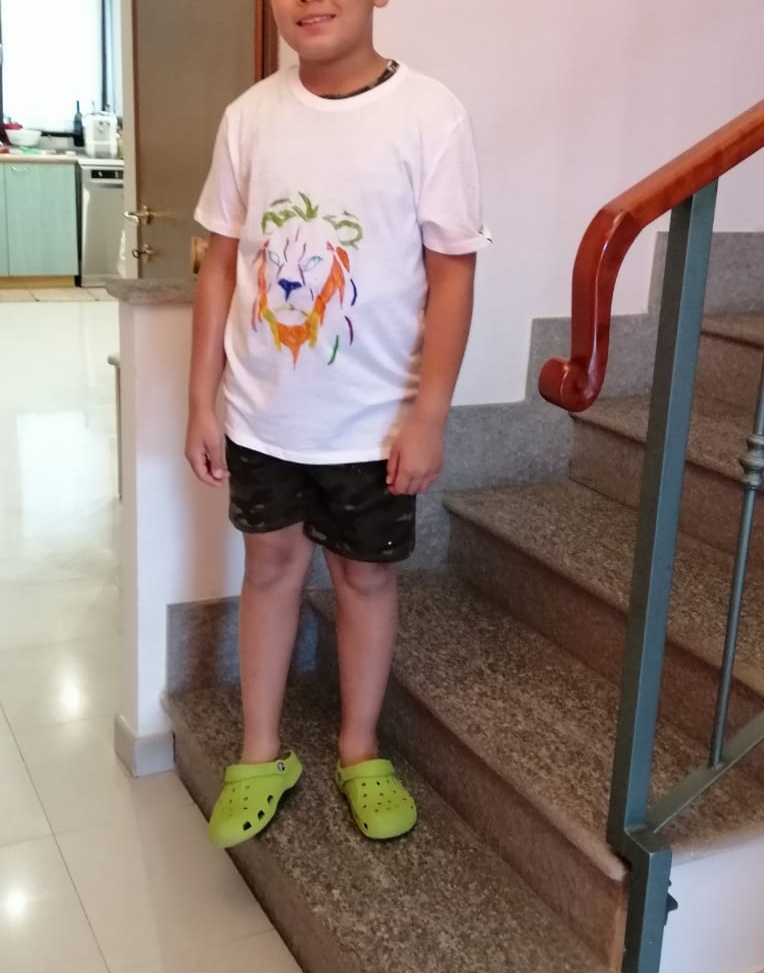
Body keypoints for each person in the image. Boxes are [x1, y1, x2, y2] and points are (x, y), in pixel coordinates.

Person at [185, 0, 491, 849]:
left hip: (374, 427)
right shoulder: (249, 118)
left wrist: (430, 415)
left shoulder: (430, 115)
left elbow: (453, 275)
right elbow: (219, 264)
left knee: (364, 580)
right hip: (263, 416)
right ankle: (260, 752)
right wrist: (201, 399)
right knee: (270, 569)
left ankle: (360, 748)